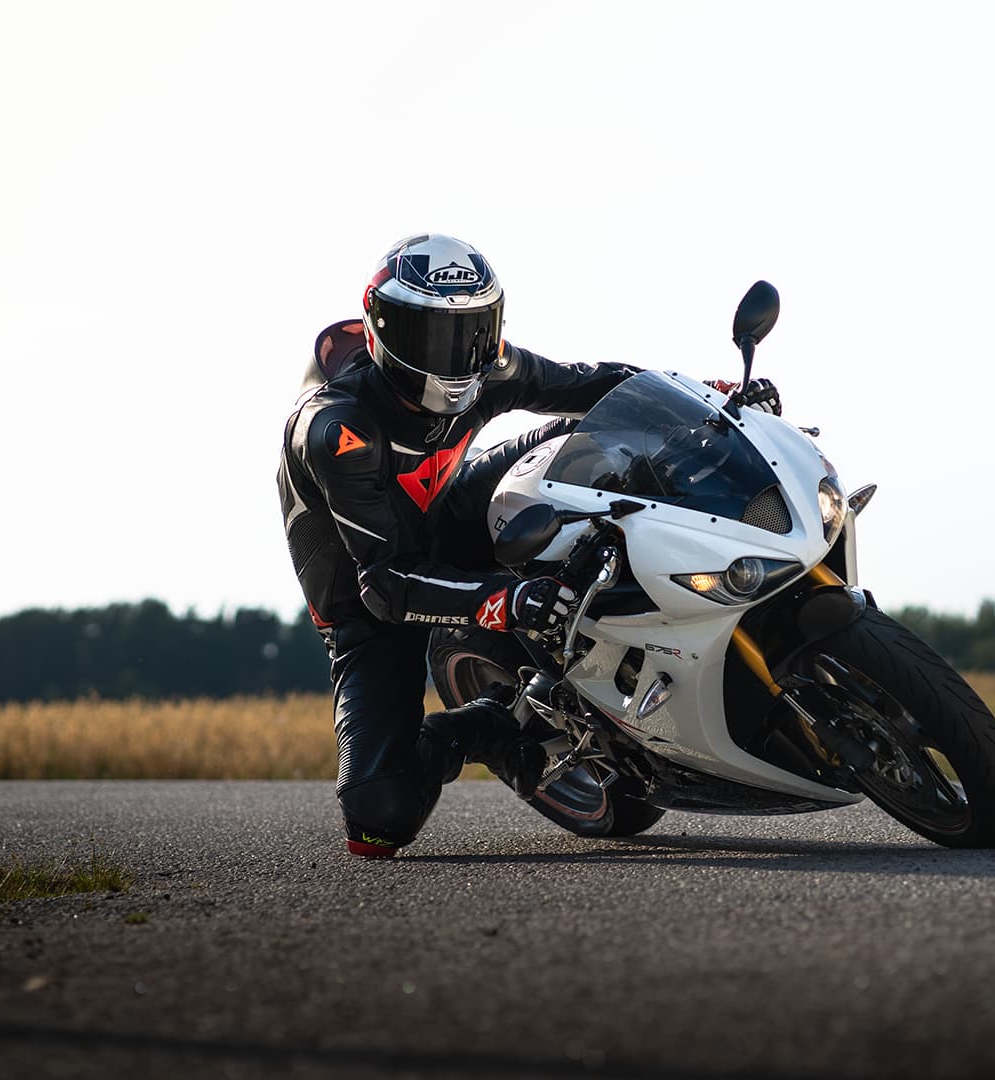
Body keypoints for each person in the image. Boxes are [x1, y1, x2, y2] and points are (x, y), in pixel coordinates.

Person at [278, 234, 780, 858]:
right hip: (371, 603)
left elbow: (593, 387)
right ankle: (491, 726)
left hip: (449, 514)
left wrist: (707, 402)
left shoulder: (490, 366)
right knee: (380, 820)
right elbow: (387, 586)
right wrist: (506, 601)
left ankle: (670, 616)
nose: (458, 357)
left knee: (595, 440)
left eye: (472, 333)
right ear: (381, 329)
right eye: (434, 337)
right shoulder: (337, 430)